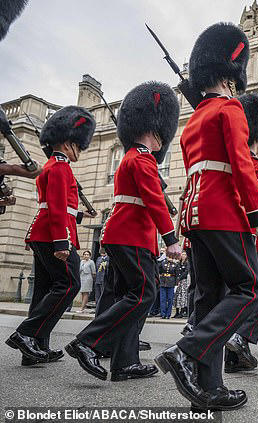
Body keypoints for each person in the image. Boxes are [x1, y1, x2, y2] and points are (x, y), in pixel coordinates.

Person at [154, 23, 258, 412]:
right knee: (249, 289)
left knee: (208, 300)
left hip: (195, 216)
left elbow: (195, 172)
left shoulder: (193, 122)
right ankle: (186, 350)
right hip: (226, 213)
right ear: (230, 75)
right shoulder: (230, 108)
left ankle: (208, 388)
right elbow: (240, 164)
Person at [66, 81, 182, 382]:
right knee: (143, 294)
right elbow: (155, 203)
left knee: (128, 295)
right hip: (131, 236)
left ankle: (125, 362)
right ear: (155, 131)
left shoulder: (131, 158)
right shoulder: (143, 160)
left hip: (120, 235)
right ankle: (87, 341)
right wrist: (171, 240)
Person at [5, 106, 95, 367]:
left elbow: (58, 207)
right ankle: (26, 333)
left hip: (45, 231)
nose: (80, 150)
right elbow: (55, 207)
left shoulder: (52, 166)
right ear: (68, 143)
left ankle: (35, 348)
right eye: (79, 145)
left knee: (44, 289)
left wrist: (79, 217)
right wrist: (61, 242)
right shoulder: (59, 167)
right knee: (69, 285)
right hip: (52, 235)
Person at [225, 93, 258, 373]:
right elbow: (255, 195)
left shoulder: (233, 157)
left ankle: (233, 357)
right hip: (252, 236)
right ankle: (241, 337)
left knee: (237, 291)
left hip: (227, 233)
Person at [174, 252, 190, 318]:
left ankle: (182, 311)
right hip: (178, 282)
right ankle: (177, 312)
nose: (183, 256)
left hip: (184, 281)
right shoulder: (178, 263)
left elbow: (186, 272)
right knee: (177, 296)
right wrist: (177, 279)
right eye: (182, 254)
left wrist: (180, 278)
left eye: (184, 254)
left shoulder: (187, 263)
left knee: (183, 297)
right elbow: (176, 271)